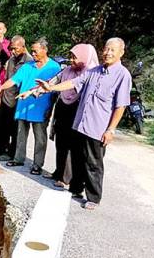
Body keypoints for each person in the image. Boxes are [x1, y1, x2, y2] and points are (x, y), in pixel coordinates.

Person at [36, 38, 132, 210]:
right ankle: (76, 188)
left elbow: (121, 105)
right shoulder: (94, 71)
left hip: (98, 127)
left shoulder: (123, 75)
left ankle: (93, 197)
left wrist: (111, 129)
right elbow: (73, 83)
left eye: (112, 50)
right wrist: (50, 88)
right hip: (81, 123)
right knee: (78, 158)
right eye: (106, 49)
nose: (108, 53)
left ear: (121, 53)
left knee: (94, 163)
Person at [20, 43, 99, 187]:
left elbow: (74, 87)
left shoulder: (89, 73)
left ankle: (66, 178)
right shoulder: (67, 70)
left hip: (77, 110)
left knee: (71, 145)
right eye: (71, 57)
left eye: (75, 57)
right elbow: (50, 83)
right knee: (60, 142)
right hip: (62, 108)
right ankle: (59, 172)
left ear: (84, 57)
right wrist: (31, 92)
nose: (72, 60)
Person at [0, 38, 61, 175]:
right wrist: (0, 89)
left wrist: (49, 109)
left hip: (40, 108)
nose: (33, 54)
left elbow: (55, 92)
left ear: (44, 50)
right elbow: (13, 80)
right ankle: (18, 158)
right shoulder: (28, 66)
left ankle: (37, 164)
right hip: (23, 105)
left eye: (35, 51)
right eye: (32, 51)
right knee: (20, 134)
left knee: (40, 138)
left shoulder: (54, 68)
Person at [0, 35, 33, 160]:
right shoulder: (11, 60)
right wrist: (0, 94)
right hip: (6, 97)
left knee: (15, 130)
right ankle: (0, 149)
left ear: (23, 47)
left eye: (15, 49)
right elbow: (6, 79)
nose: (13, 51)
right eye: (11, 49)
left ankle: (11, 154)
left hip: (18, 100)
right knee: (2, 126)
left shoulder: (29, 62)